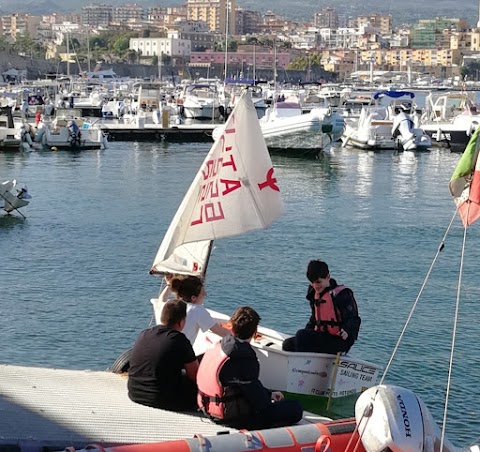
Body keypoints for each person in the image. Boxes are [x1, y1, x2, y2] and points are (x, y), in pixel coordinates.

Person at [197, 306, 303, 430]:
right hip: (232, 418)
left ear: (232, 327)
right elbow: (260, 402)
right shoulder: (244, 356)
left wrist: (269, 393)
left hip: (208, 408)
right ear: (255, 332)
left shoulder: (222, 344)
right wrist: (269, 399)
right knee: (296, 408)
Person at [127, 299, 199, 411]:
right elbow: (195, 375)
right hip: (163, 400)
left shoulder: (144, 333)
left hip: (135, 393)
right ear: (181, 322)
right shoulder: (179, 339)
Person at [282, 260, 361, 355]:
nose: (315, 286)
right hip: (322, 337)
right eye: (312, 283)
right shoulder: (314, 294)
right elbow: (314, 319)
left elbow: (354, 319)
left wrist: (347, 331)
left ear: (328, 277)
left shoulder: (342, 294)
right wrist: (306, 333)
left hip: (339, 341)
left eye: (318, 282)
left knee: (301, 335)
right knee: (288, 344)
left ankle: (305, 363)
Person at [152, 275, 231, 346]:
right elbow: (222, 333)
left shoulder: (169, 306)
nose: (205, 294)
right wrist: (241, 337)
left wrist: (169, 285)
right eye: (202, 292)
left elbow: (161, 301)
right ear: (193, 298)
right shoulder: (197, 310)